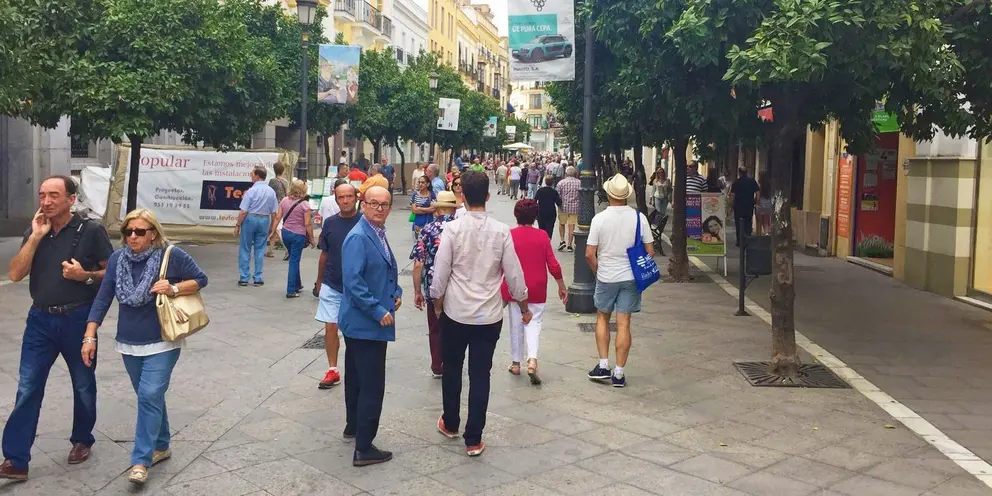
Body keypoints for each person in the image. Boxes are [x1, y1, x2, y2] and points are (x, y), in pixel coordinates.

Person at [1, 176, 113, 480]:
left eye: (53, 195)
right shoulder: (36, 230)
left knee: (82, 383)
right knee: (27, 387)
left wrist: (85, 276)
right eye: (42, 195)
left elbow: (112, 271)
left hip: (78, 318)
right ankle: (16, 459)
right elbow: (14, 274)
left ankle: (82, 439)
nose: (46, 201)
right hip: (39, 320)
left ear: (71, 199)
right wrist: (35, 237)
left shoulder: (91, 230)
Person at [84, 209, 207, 484]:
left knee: (149, 394)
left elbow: (201, 279)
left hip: (163, 340)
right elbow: (104, 297)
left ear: (153, 233)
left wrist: (173, 288)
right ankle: (162, 444)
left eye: (140, 231)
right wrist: (90, 333)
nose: (133, 237)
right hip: (129, 342)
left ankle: (141, 460)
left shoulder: (170, 255)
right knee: (150, 396)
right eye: (128, 232)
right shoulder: (117, 259)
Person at [430, 171, 530, 457]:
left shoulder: (451, 229)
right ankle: (473, 438)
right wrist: (523, 307)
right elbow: (515, 277)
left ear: (462, 195)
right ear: (488, 196)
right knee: (480, 374)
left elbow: (440, 275)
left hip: (455, 312)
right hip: (488, 315)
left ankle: (450, 422)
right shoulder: (501, 231)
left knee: (451, 368)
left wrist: (438, 305)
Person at [339, 186, 401, 466]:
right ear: (363, 205)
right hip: (365, 323)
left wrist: (395, 292)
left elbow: (383, 269)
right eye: (374, 203)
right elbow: (353, 281)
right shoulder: (358, 237)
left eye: (385, 204)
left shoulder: (376, 232)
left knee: (356, 377)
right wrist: (378, 310)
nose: (380, 208)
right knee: (372, 385)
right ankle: (364, 447)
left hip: (364, 321)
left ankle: (354, 427)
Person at [585, 174, 654, 388]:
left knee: (603, 318)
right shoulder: (638, 218)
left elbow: (589, 253)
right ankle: (619, 373)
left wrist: (598, 271)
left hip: (606, 276)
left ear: (608, 193)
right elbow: (650, 251)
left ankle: (603, 365)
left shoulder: (600, 219)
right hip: (631, 277)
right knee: (624, 323)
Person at [501, 199, 567, 385]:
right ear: (535, 216)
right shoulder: (542, 236)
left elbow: (501, 263)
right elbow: (553, 265)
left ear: (516, 215)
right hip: (537, 286)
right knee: (534, 322)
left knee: (516, 323)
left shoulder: (509, 235)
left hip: (515, 287)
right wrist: (561, 285)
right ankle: (532, 360)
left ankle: (516, 363)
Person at [314, 181, 361, 389]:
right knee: (330, 326)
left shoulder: (365, 222)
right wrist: (318, 280)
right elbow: (324, 253)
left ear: (356, 198)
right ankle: (332, 370)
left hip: (357, 287)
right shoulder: (330, 223)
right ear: (335, 199)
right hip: (332, 282)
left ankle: (357, 367)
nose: (345, 201)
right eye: (341, 197)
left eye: (349, 196)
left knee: (353, 330)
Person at [411, 191, 458, 377]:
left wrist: (417, 291)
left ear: (437, 209)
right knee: (456, 326)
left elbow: (418, 264)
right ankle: (453, 362)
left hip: (433, 286)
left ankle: (437, 365)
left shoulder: (428, 230)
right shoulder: (460, 228)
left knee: (435, 327)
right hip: (458, 286)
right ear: (453, 210)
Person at [235, 166, 278, 287]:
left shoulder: (251, 191)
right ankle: (258, 278)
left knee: (245, 248)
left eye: (252, 174)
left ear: (258, 176)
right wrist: (273, 228)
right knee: (260, 249)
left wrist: (238, 225)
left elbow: (243, 211)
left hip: (250, 219)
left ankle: (244, 277)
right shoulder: (271, 191)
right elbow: (275, 212)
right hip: (264, 219)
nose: (251, 176)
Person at [277, 179, 314, 298]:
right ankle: (291, 290)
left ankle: (297, 284)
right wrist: (312, 239)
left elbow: (278, 217)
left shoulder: (284, 200)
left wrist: (273, 231)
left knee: (294, 258)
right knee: (294, 261)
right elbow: (308, 223)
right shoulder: (304, 204)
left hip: (286, 233)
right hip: (298, 235)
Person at [729, 166, 760, 246]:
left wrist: (731, 206)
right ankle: (748, 240)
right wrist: (756, 202)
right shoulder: (752, 181)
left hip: (738, 206)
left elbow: (732, 195)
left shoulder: (736, 182)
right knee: (748, 222)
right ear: (746, 172)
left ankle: (740, 241)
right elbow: (758, 193)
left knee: (739, 224)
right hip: (749, 205)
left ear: (739, 173)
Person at [266, 162, 291, 258]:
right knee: (274, 227)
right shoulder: (286, 182)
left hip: (275, 206)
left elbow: (269, 194)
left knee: (276, 228)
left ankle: (287, 249)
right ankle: (270, 251)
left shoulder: (272, 181)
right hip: (284, 205)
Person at [555, 166, 580, 252]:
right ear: (575, 174)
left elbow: (557, 195)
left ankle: (562, 240)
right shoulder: (579, 183)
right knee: (571, 225)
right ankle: (570, 244)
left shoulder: (561, 183)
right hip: (575, 207)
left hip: (563, 207)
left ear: (565, 174)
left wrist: (559, 204)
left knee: (562, 224)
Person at [534, 175, 562, 241]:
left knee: (541, 228)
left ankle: (541, 241)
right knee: (550, 228)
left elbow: (534, 200)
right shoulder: (554, 192)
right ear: (552, 182)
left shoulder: (540, 190)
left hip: (541, 211)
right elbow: (558, 202)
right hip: (551, 212)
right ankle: (548, 240)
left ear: (545, 182)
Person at [410, 176, 435, 240]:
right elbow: (414, 210)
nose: (420, 184)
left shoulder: (432, 195)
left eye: (423, 182)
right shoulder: (415, 195)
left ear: (428, 184)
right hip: (417, 225)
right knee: (417, 246)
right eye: (419, 182)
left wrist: (419, 208)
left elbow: (433, 209)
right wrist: (428, 209)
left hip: (429, 224)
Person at [756, 170, 773, 235]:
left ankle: (759, 235)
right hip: (768, 203)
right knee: (766, 220)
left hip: (761, 203)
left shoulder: (759, 184)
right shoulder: (769, 184)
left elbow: (758, 195)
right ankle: (766, 233)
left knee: (759, 221)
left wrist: (757, 204)